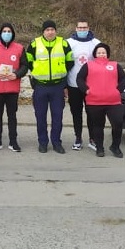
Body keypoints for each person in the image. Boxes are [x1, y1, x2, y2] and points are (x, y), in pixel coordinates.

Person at [26, 20, 74, 154]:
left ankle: (57, 143)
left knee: (57, 117)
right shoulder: (34, 44)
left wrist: (62, 77)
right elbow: (28, 61)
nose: (50, 32)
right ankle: (43, 143)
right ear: (43, 31)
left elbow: (70, 61)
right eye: (47, 30)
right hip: (40, 87)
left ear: (56, 31)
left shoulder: (63, 43)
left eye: (52, 29)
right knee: (40, 116)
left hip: (58, 87)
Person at [76, 43, 125, 158]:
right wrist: (86, 90)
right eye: (99, 52)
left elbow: (123, 78)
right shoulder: (88, 65)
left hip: (113, 101)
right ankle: (99, 148)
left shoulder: (114, 65)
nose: (101, 54)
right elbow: (79, 78)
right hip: (94, 101)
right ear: (95, 54)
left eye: (103, 52)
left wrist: (118, 90)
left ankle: (115, 146)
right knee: (98, 126)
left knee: (118, 124)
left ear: (107, 53)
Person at [0, 22, 29, 152]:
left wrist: (17, 74)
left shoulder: (19, 48)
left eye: (9, 31)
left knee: (12, 116)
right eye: (4, 31)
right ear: (0, 33)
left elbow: (25, 66)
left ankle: (13, 141)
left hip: (12, 88)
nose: (7, 34)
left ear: (13, 33)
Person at [66, 19, 100, 151]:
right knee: (76, 113)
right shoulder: (68, 43)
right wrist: (64, 86)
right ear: (76, 29)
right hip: (73, 84)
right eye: (80, 28)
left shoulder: (96, 43)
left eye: (84, 27)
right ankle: (78, 138)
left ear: (88, 28)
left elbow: (100, 62)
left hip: (90, 86)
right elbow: (65, 64)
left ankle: (93, 139)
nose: (82, 30)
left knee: (91, 113)